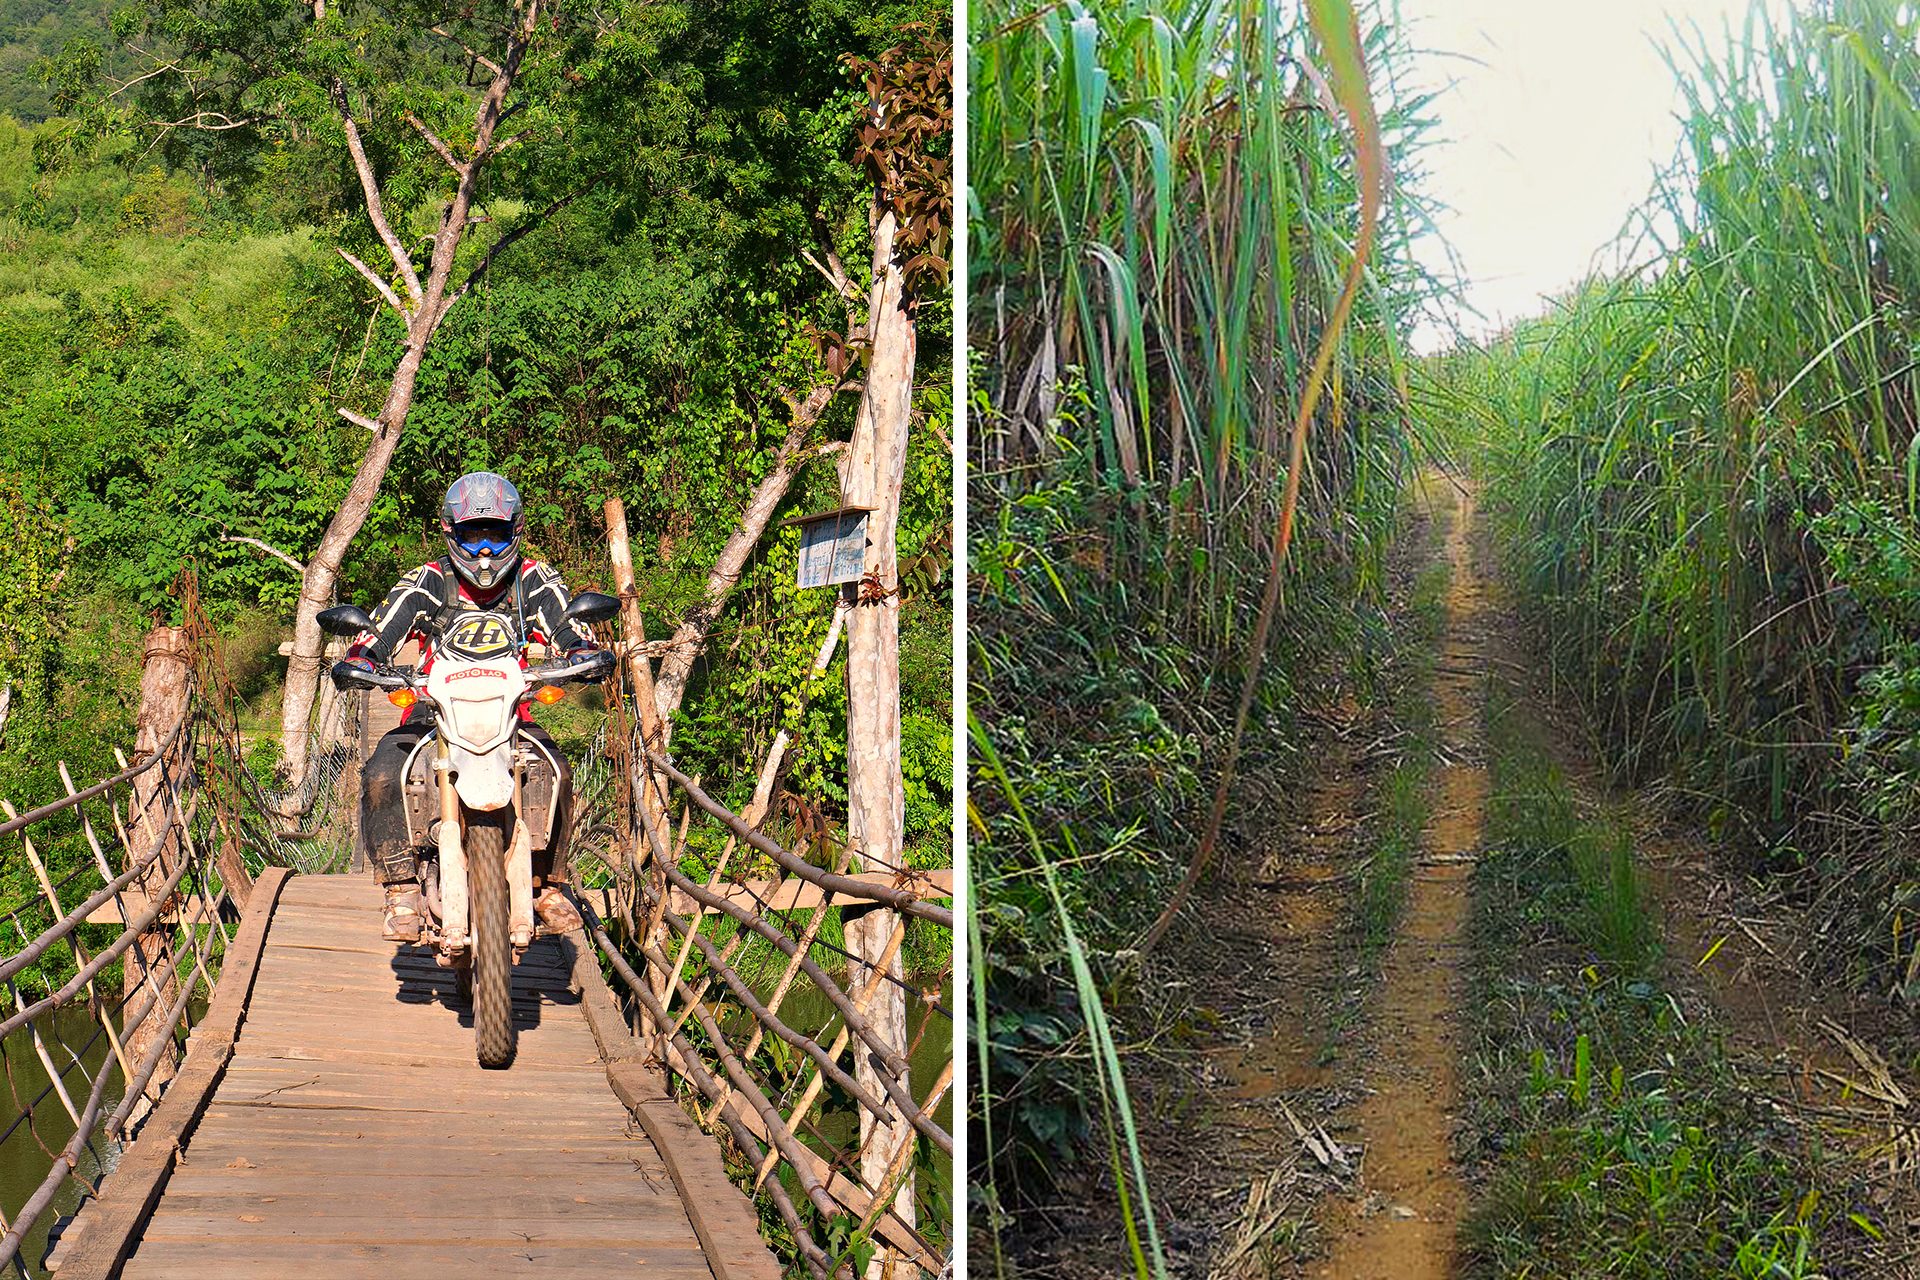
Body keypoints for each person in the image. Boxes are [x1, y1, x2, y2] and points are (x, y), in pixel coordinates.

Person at [342, 471, 594, 941]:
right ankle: (399, 888)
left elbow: (568, 622)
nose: (483, 551)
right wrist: (363, 655)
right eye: (471, 535)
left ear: (514, 533)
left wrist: (580, 649)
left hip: (509, 716)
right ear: (450, 532)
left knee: (555, 769)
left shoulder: (532, 581)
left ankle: (548, 884)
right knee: (382, 772)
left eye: (494, 536)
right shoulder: (428, 581)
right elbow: (381, 626)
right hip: (433, 713)